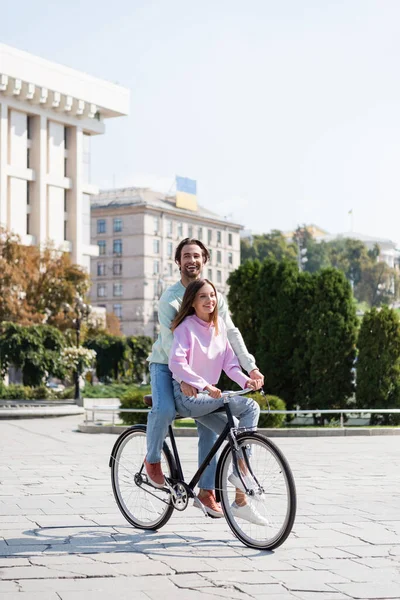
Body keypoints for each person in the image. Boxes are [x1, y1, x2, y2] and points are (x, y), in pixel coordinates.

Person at [145, 237, 264, 516]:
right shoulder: (170, 299)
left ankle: (208, 491)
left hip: (199, 370)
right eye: (186, 255)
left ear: (205, 259)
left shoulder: (213, 296)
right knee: (163, 409)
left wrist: (250, 368)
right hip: (167, 364)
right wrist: (187, 378)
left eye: (196, 255)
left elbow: (229, 333)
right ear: (178, 262)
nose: (192, 260)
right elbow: (172, 342)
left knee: (211, 430)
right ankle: (152, 461)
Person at [169, 278, 267, 525]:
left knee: (231, 428)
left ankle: (237, 498)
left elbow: (229, 363)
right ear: (192, 302)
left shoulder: (219, 326)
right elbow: (176, 363)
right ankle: (241, 473)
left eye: (212, 295)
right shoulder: (185, 327)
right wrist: (204, 385)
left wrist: (245, 381)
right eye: (203, 296)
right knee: (250, 407)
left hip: (209, 397)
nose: (209, 300)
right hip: (188, 397)